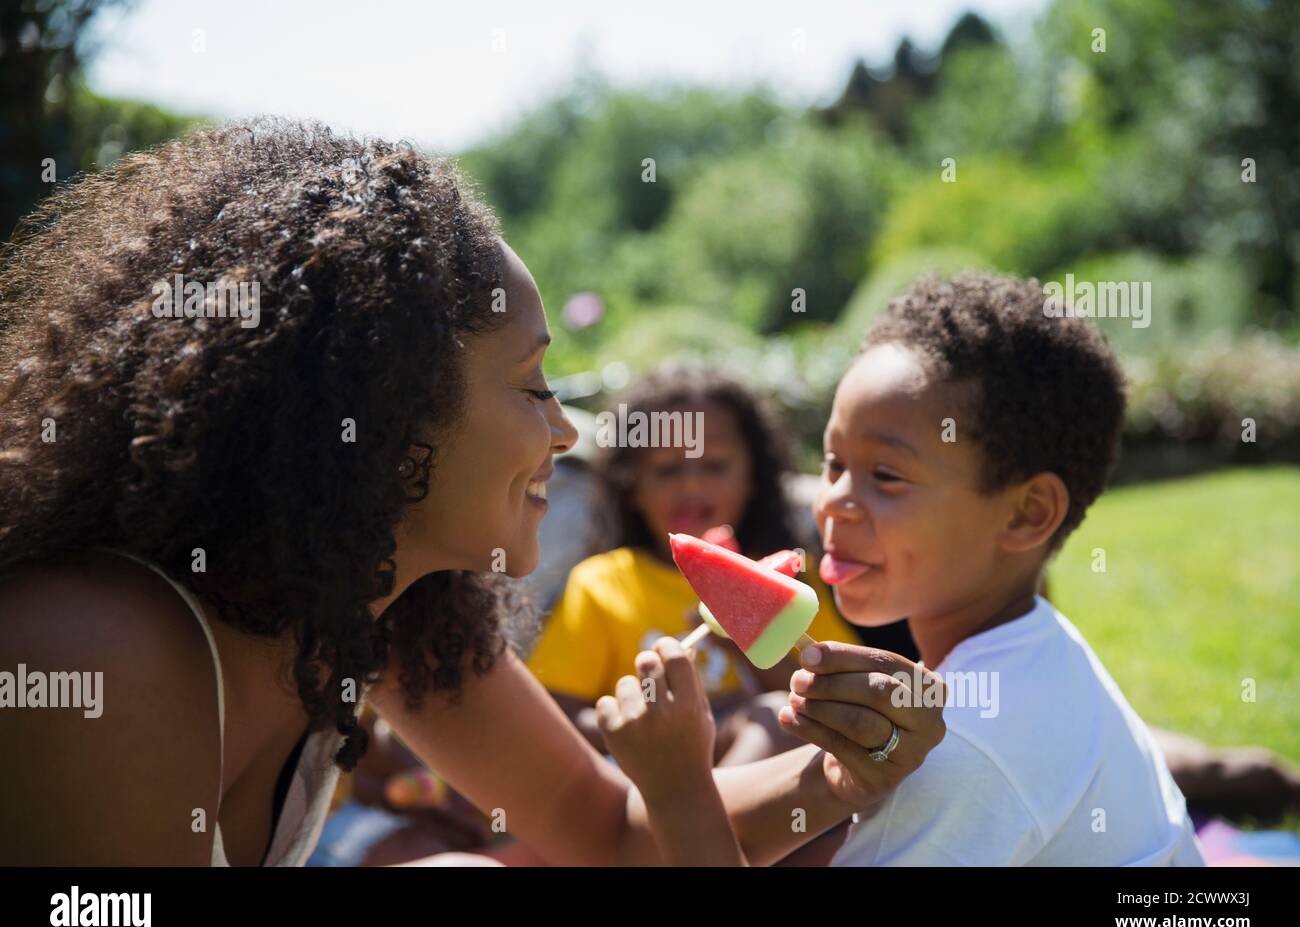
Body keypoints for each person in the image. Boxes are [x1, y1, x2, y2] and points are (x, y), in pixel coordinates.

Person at [0, 119, 945, 866]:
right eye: (535, 385)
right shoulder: (93, 651)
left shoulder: (383, 621)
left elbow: (609, 832)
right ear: (387, 410)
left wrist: (841, 772)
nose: (567, 431)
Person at [598, 274, 1206, 866]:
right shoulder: (1035, 648)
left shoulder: (956, 750)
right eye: (834, 463)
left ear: (1027, 514)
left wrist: (678, 790)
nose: (832, 498)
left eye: (886, 475)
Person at [527, 363, 861, 766]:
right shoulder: (602, 584)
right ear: (631, 485)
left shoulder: (787, 577)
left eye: (714, 465)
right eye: (667, 469)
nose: (691, 486)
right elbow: (558, 715)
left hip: (776, 779)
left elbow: (838, 695)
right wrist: (663, 726)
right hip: (648, 783)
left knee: (775, 716)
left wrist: (742, 638)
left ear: (753, 477)